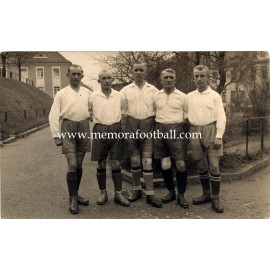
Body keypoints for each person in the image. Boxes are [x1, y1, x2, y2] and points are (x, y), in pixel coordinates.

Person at [49, 64, 91, 214]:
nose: (75, 77)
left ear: (82, 76)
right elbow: (53, 115)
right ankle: (72, 198)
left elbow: (94, 109)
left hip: (84, 127)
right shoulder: (61, 94)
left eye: (78, 74)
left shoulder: (88, 92)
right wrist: (56, 135)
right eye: (73, 74)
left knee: (79, 164)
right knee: (72, 163)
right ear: (68, 75)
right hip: (68, 127)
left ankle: (76, 194)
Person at [120, 62, 162, 208]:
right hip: (131, 125)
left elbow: (160, 108)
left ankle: (150, 194)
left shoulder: (153, 90)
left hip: (148, 125)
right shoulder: (125, 90)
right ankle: (136, 190)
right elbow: (120, 109)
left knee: (147, 162)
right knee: (135, 160)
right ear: (132, 72)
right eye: (136, 70)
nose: (138, 72)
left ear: (145, 72)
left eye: (141, 70)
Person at [186, 65, 226, 213]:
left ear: (207, 77)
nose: (199, 79)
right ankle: (206, 194)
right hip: (195, 130)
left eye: (202, 76)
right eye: (196, 76)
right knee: (201, 166)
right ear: (194, 77)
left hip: (211, 129)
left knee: (214, 166)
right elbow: (184, 113)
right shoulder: (189, 96)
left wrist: (219, 136)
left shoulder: (214, 95)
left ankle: (216, 198)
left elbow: (221, 116)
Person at [89, 70, 130, 207]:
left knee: (116, 163)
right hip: (100, 128)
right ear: (99, 80)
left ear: (113, 80)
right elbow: (88, 112)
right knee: (101, 163)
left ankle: (118, 193)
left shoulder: (119, 96)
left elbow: (124, 111)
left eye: (109, 78)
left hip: (115, 128)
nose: (107, 81)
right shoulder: (93, 96)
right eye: (104, 78)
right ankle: (103, 193)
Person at [153, 68, 189, 208]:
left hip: (177, 129)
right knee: (165, 164)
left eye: (171, 78)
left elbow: (187, 115)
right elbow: (154, 112)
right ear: (161, 80)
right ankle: (171, 192)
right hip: (160, 129)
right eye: (166, 77)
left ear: (175, 79)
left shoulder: (182, 96)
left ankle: (181, 195)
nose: (168, 80)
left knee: (180, 164)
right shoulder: (156, 95)